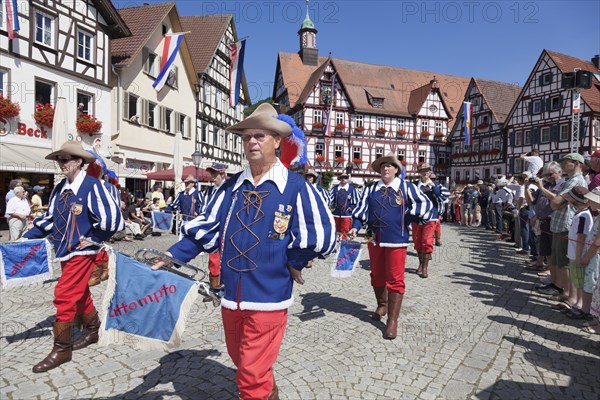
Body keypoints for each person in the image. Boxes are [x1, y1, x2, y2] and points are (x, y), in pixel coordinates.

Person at [153, 103, 336, 399]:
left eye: (260, 136)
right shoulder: (230, 187)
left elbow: (320, 232)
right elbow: (206, 228)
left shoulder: (295, 186)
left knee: (250, 375)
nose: (251, 142)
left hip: (269, 295)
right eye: (247, 136)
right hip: (232, 295)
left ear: (277, 140)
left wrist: (295, 260)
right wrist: (172, 256)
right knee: (244, 363)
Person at [23, 141, 123, 372]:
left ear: (79, 162)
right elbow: (48, 220)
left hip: (82, 251)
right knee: (79, 293)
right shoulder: (60, 188)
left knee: (64, 294)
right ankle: (92, 329)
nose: (61, 164)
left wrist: (95, 238)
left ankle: (62, 349)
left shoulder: (93, 186)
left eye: (65, 159)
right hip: (64, 250)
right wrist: (26, 239)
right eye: (59, 160)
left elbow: (113, 220)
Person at [348, 153, 433, 339]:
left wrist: (407, 218)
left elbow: (425, 205)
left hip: (396, 239)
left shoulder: (406, 187)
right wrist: (355, 227)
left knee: (395, 278)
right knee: (377, 275)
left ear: (396, 170)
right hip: (373, 238)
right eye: (382, 166)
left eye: (390, 165)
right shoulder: (370, 189)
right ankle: (382, 304)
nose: (386, 168)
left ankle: (392, 321)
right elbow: (361, 210)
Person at [536, 153, 587, 297]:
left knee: (563, 261)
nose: (563, 164)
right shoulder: (569, 180)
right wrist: (557, 201)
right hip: (559, 223)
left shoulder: (576, 180)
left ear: (576, 163)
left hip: (566, 223)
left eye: (566, 161)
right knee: (557, 259)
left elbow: (557, 202)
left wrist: (557, 201)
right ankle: (558, 286)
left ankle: (564, 291)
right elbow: (556, 202)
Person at [413, 163, 449, 277]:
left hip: (431, 216)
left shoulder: (437, 185)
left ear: (430, 172)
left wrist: (433, 186)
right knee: (417, 241)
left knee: (427, 241)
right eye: (423, 171)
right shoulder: (414, 185)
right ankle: (420, 263)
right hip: (416, 217)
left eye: (427, 170)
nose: (425, 173)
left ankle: (425, 268)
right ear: (419, 172)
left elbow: (443, 197)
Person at [202, 162, 228, 292]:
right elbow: (204, 209)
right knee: (213, 259)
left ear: (222, 174)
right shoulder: (208, 191)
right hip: (210, 229)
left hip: (224, 230)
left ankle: (222, 286)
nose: (212, 176)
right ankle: (214, 287)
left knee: (222, 260)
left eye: (215, 173)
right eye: (211, 173)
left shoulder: (228, 189)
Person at [330, 172, 359, 240]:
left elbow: (357, 200)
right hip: (336, 213)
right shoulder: (335, 188)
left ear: (348, 179)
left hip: (346, 214)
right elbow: (330, 198)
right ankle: (335, 245)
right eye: (342, 178)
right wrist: (330, 207)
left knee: (345, 230)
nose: (343, 179)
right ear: (339, 179)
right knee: (335, 229)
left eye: (345, 178)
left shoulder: (352, 189)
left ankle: (343, 243)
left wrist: (351, 208)